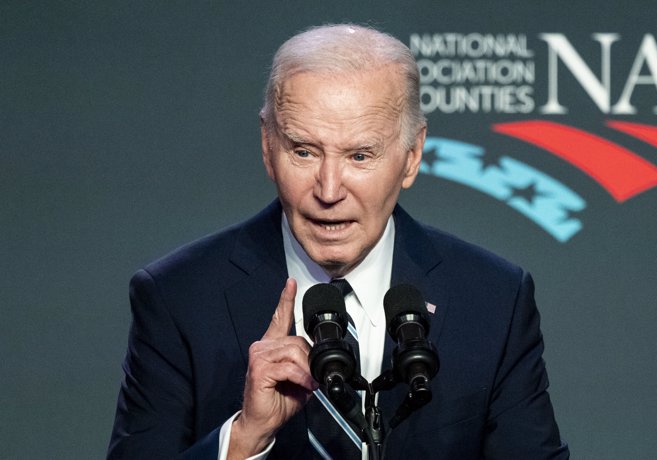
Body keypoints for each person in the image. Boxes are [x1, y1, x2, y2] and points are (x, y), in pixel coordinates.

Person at [108, 24, 569, 459]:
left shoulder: (492, 299)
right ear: (268, 148)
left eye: (360, 155)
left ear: (411, 158)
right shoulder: (178, 297)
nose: (329, 190)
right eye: (304, 151)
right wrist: (244, 439)